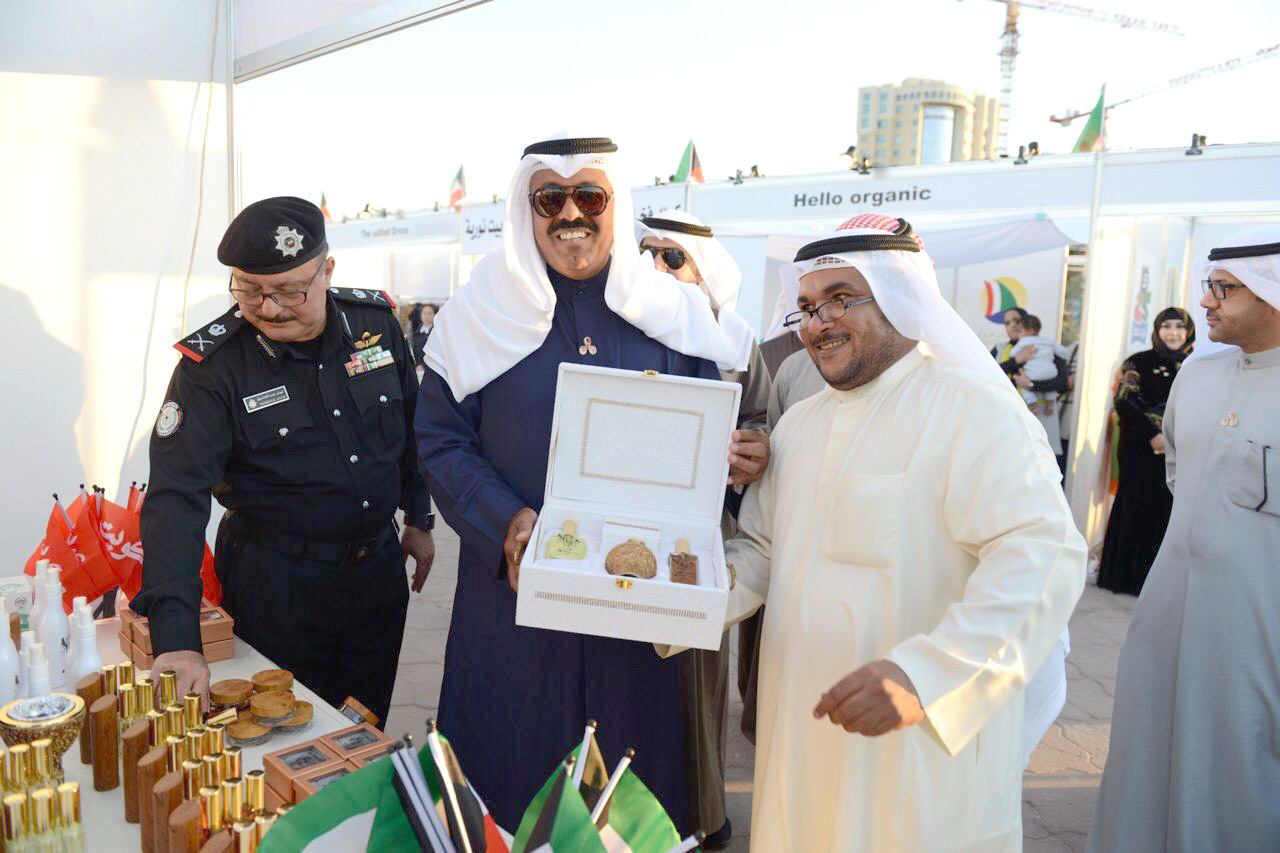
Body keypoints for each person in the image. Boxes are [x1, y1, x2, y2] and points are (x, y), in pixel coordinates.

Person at [414, 136, 758, 834]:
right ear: (527, 210)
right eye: (551, 199)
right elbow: (441, 442)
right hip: (513, 603)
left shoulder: (672, 312)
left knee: (630, 793)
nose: (571, 214)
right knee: (508, 788)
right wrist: (505, 519)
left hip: (634, 607)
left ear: (616, 206)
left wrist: (734, 461)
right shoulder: (474, 315)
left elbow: (706, 444)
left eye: (590, 197)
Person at [724, 214, 1085, 851]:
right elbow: (759, 551)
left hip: (914, 741)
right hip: (802, 730)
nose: (818, 323)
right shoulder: (799, 426)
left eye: (841, 299)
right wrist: (673, 604)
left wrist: (927, 674)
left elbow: (1042, 555)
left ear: (899, 298)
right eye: (806, 307)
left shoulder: (972, 412)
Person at [134, 196, 436, 725]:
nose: (270, 309)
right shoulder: (213, 368)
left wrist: (418, 519)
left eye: (289, 291)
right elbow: (174, 500)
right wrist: (177, 639)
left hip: (376, 579)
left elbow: (410, 432)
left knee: (363, 732)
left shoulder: (376, 324)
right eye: (249, 290)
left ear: (327, 271)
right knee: (283, 739)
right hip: (277, 591)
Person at [1089, 226, 1280, 851]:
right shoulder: (1195, 380)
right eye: (1209, 287)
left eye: (1223, 289)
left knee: (1240, 758)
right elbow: (1183, 475)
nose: (1206, 304)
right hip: (1170, 608)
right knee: (1151, 741)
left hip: (1258, 627)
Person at [636, 211, 770, 848]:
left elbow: (767, 422)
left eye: (671, 258)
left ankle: (700, 816)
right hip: (614, 530)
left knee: (692, 685)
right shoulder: (613, 327)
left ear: (704, 272)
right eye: (645, 254)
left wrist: (754, 448)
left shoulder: (737, 344)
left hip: (699, 538)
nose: (654, 268)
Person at [1095, 307, 1195, 595]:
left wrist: (1172, 436)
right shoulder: (1137, 362)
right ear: (1156, 330)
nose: (1173, 332)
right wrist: (1153, 433)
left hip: (1179, 451)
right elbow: (1125, 400)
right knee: (1133, 506)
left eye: (1179, 326)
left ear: (1189, 331)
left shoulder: (1195, 365)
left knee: (1164, 511)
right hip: (1139, 448)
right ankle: (1119, 578)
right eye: (1166, 326)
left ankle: (1152, 584)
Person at [1008, 314, 1059, 414]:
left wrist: (1017, 358)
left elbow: (1012, 353)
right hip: (1051, 372)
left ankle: (1033, 404)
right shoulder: (1048, 342)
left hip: (1033, 375)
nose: (1018, 335)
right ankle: (1050, 402)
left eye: (1019, 331)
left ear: (1030, 331)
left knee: (1023, 384)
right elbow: (1063, 352)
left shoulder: (1024, 342)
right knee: (1050, 386)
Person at [410, 302, 438, 369]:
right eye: (424, 313)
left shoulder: (436, 332)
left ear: (435, 315)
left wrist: (423, 365)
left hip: (430, 368)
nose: (426, 316)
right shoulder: (417, 330)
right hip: (417, 367)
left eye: (429, 313)